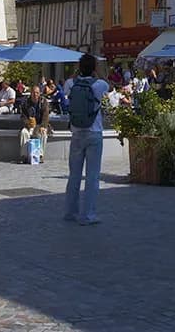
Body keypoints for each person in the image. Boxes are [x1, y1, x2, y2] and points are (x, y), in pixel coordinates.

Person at [64, 53, 109, 226]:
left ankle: (70, 212)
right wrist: (98, 72)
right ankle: (88, 215)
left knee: (74, 175)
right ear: (94, 68)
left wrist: (77, 73)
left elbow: (70, 85)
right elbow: (108, 86)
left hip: (76, 133)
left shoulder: (70, 83)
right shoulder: (100, 84)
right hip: (94, 132)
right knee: (92, 176)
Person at [18, 85, 50, 162]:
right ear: (31, 93)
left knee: (43, 133)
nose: (35, 94)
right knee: (23, 133)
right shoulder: (26, 103)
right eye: (33, 93)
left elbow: (46, 115)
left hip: (39, 125)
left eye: (37, 93)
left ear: (39, 94)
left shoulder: (43, 102)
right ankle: (24, 155)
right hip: (29, 125)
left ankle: (40, 155)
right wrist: (27, 123)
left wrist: (43, 126)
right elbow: (23, 116)